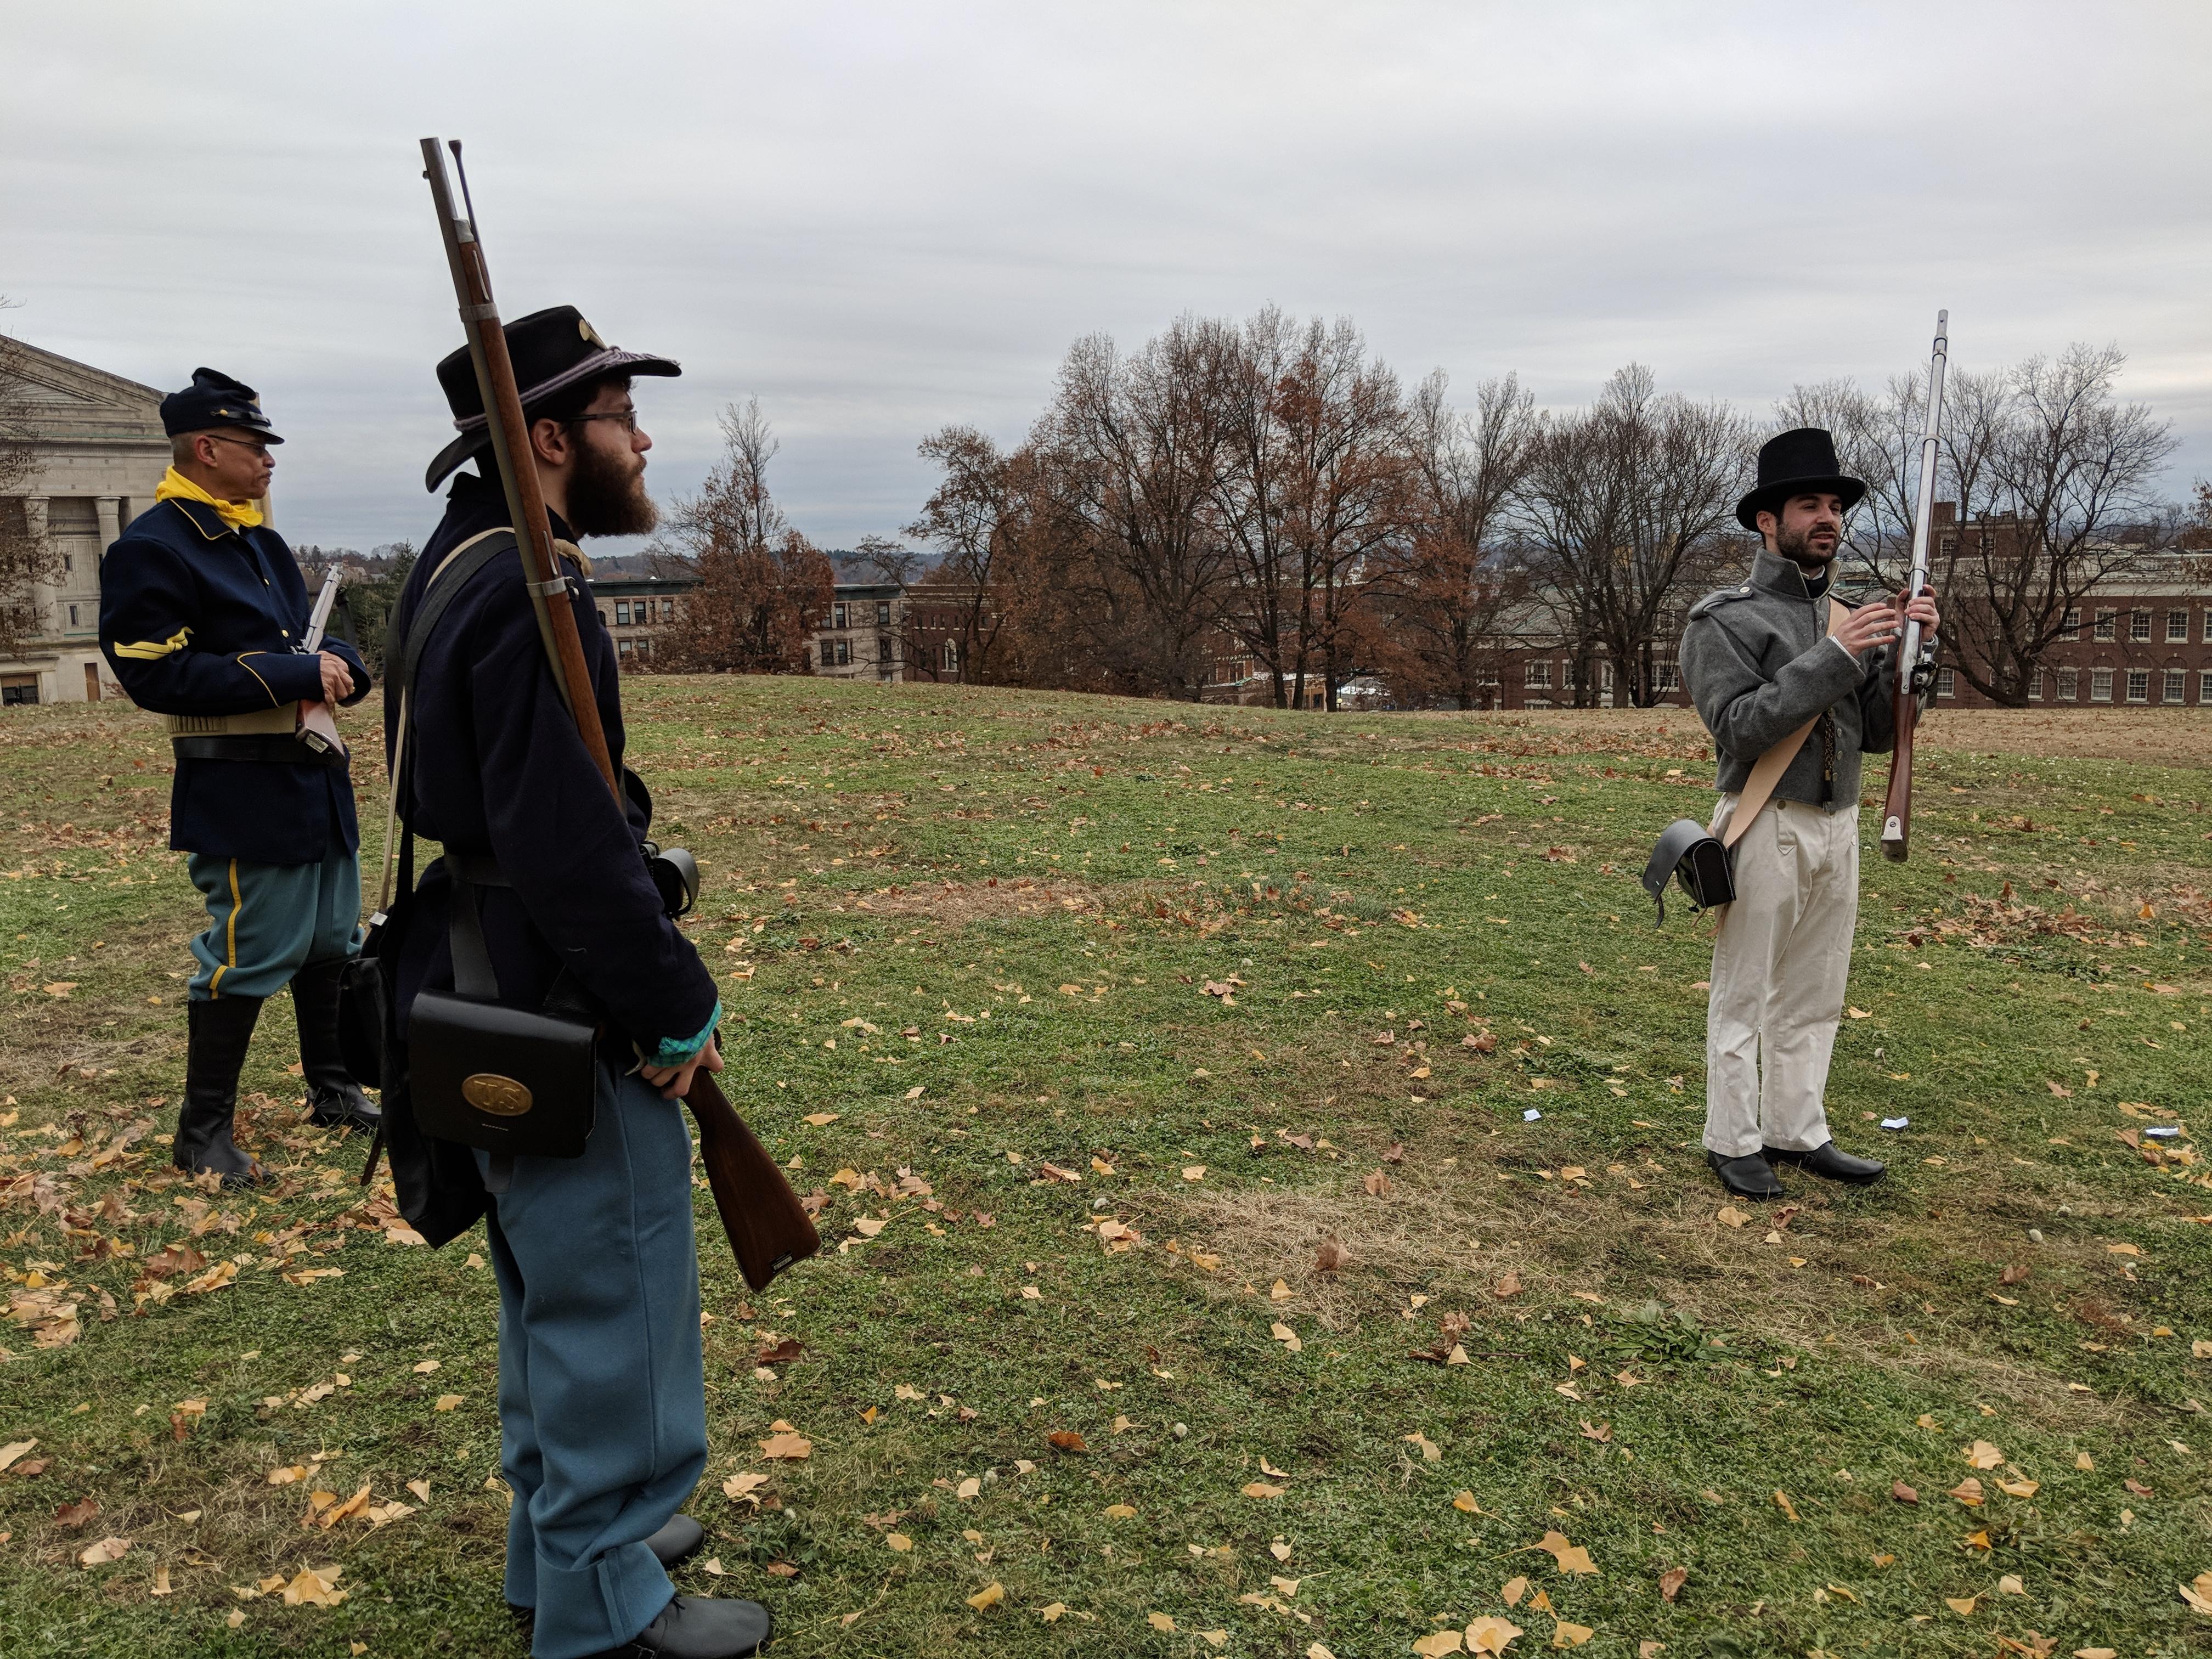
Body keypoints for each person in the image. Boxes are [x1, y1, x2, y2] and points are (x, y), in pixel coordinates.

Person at [380, 307, 767, 1659]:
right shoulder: (529, 590)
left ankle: (559, 1544)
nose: (643, 438)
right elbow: (568, 844)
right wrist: (673, 1001)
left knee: (550, 1283)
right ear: (548, 437)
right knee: (617, 1284)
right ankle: (605, 1603)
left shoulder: (465, 560)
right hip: (550, 988)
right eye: (618, 418)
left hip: (476, 973)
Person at [99, 368, 379, 1188]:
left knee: (332, 939)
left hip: (314, 775)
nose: (268, 461)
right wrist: (293, 674)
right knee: (246, 952)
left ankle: (333, 1090)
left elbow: (319, 640)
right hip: (240, 784)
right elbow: (155, 673)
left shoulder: (258, 539)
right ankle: (202, 1134)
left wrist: (338, 669)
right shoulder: (152, 547)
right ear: (208, 448)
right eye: (256, 446)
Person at [1679, 426, 1940, 1201]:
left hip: (1839, 822)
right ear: (1768, 521)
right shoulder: (1722, 621)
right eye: (1809, 505)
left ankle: (1795, 1128)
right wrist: (1838, 654)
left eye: (1834, 506)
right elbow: (1739, 727)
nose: (1827, 518)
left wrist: (1909, 655)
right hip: (1766, 819)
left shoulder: (1853, 616)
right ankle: (1731, 1139)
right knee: (1745, 992)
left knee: (1816, 989)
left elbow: (1886, 736)